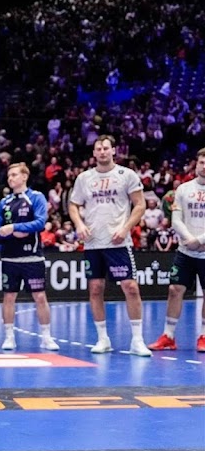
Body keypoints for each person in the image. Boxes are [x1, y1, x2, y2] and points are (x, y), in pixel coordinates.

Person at [68, 135, 151, 356]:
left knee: (130, 287)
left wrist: (125, 228)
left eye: (106, 148)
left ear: (113, 150)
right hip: (93, 243)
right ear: (94, 153)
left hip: (118, 242)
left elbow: (140, 205)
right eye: (99, 148)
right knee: (95, 289)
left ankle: (137, 340)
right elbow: (73, 205)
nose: (102, 151)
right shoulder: (84, 178)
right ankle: (102, 338)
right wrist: (79, 224)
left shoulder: (127, 175)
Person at [0, 163, 59, 351]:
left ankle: (46, 337)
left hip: (32, 257)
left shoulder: (36, 197)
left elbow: (40, 222)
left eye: (14, 174)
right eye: (9, 175)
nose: (10, 178)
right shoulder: (4, 202)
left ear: (24, 176)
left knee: (40, 296)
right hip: (9, 257)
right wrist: (9, 232)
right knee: (8, 297)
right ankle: (9, 337)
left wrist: (15, 227)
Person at [149, 148, 205, 352]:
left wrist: (199, 240)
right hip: (185, 251)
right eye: (202, 162)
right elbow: (176, 219)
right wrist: (189, 239)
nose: (204, 166)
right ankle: (169, 336)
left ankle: (204, 336)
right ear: (196, 164)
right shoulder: (183, 189)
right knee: (174, 290)